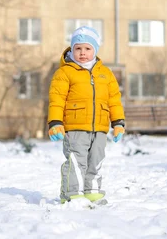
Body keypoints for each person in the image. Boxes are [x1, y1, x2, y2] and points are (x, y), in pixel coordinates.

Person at [47, 26, 125, 203]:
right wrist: (55, 122)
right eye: (78, 48)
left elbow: (114, 100)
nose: (82, 53)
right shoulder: (65, 72)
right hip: (75, 127)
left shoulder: (105, 74)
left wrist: (118, 123)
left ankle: (93, 192)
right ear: (72, 49)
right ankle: (71, 194)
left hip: (100, 128)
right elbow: (56, 99)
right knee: (76, 160)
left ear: (95, 50)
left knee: (96, 160)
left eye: (87, 48)